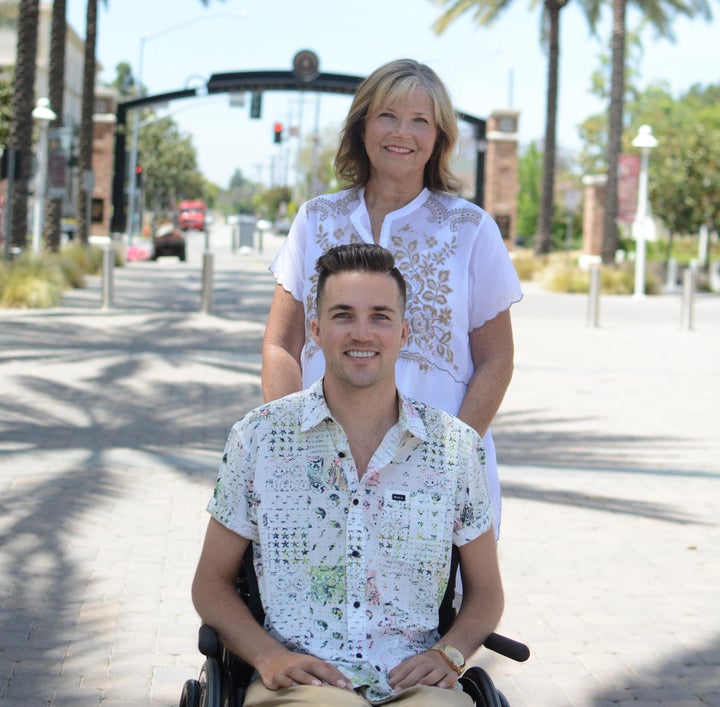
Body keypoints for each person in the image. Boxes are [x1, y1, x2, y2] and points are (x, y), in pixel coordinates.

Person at [193, 244, 504, 706]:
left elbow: (486, 594)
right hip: (303, 680)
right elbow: (210, 583)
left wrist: (451, 654)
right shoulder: (258, 438)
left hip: (415, 679)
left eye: (380, 316)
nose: (362, 333)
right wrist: (267, 657)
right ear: (316, 331)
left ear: (404, 332)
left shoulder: (456, 449)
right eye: (343, 315)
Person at [262, 59, 522, 536]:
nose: (403, 132)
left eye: (420, 120)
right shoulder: (315, 220)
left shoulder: (471, 230)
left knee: (442, 610)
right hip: (321, 471)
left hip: (439, 479)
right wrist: (293, 447)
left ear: (438, 138)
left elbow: (497, 359)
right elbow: (281, 344)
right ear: (362, 126)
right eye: (388, 116)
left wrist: (449, 461)